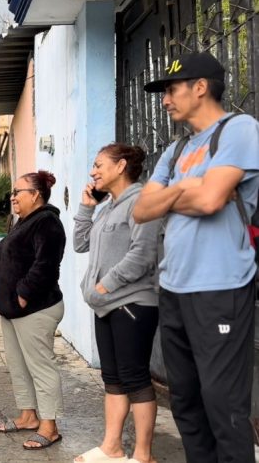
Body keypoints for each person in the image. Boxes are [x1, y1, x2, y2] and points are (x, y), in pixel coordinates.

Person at [133, 51, 259, 462]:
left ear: (200, 87)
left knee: (224, 405)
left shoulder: (239, 130)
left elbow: (209, 200)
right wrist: (183, 192)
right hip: (174, 288)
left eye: (171, 90)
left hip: (220, 287)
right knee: (185, 402)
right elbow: (141, 209)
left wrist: (174, 194)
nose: (165, 100)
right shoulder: (178, 149)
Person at [73, 144, 161, 463]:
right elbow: (81, 243)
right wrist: (86, 207)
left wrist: (105, 284)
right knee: (112, 378)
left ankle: (143, 455)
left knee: (135, 377)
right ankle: (112, 447)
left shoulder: (141, 200)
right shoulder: (109, 206)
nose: (93, 171)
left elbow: (143, 253)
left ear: (121, 166)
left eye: (98, 165)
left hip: (133, 303)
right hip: (105, 305)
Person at [0, 171, 66, 450]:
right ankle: (28, 416)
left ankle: (49, 426)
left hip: (35, 310)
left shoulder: (47, 223)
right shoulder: (22, 222)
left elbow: (46, 265)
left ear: (35, 195)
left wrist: (23, 294)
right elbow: (7, 258)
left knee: (40, 367)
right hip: (11, 311)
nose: (13, 197)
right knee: (19, 367)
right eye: (13, 192)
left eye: (18, 191)